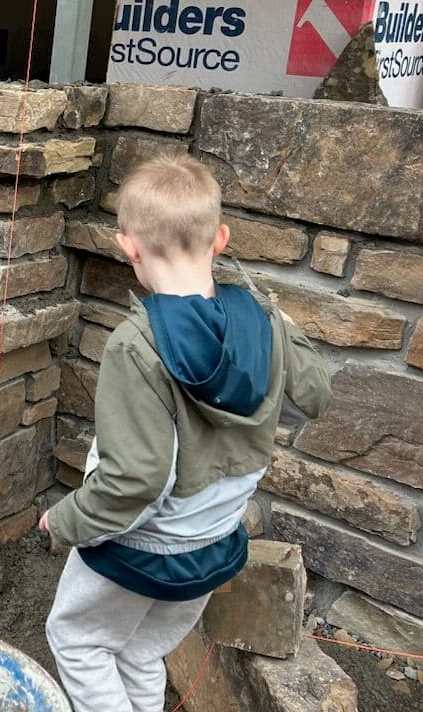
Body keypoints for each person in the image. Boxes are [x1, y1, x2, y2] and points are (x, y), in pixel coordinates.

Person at [40, 154, 331, 712]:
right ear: (220, 238)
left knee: (78, 641)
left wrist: (67, 521)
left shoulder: (137, 344)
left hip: (142, 549)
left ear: (127, 247)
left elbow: (138, 483)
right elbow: (311, 399)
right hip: (215, 541)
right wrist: (277, 321)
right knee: (141, 654)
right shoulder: (263, 320)